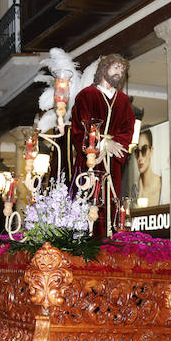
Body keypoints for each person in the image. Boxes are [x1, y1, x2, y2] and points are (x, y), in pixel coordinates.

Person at [70, 54, 135, 235]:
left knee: (111, 203)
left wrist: (117, 145)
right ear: (103, 69)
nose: (119, 73)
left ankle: (111, 242)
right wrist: (104, 143)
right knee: (88, 199)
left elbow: (128, 128)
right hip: (90, 159)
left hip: (111, 163)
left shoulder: (123, 101)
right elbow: (79, 128)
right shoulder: (87, 96)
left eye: (122, 70)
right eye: (115, 68)